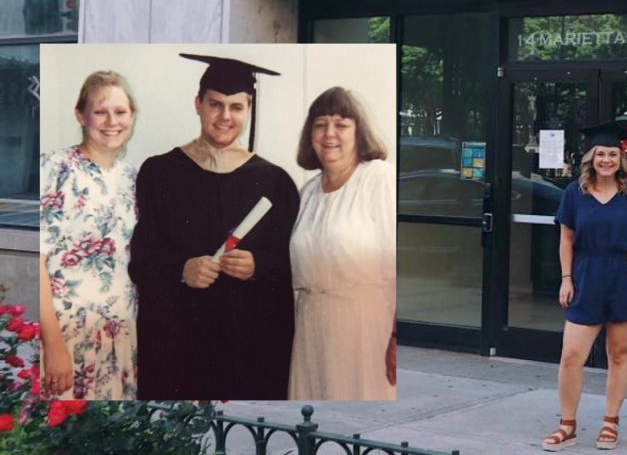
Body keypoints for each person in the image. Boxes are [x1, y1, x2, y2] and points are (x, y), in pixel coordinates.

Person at [128, 54, 299, 399]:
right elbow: (141, 259)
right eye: (215, 104)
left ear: (248, 109)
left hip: (246, 344)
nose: (225, 116)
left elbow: (293, 262)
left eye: (236, 107)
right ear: (198, 104)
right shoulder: (160, 172)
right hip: (178, 343)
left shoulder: (275, 182)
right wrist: (182, 268)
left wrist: (258, 266)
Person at [543, 122, 627, 452]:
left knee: (619, 354)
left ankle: (611, 422)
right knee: (571, 356)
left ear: (620, 159)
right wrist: (566, 279)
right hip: (586, 276)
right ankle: (568, 425)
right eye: (600, 154)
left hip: (625, 277)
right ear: (590, 158)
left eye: (612, 154)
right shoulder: (574, 194)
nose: (606, 160)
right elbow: (566, 238)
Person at [288, 87, 396, 400]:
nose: (329, 134)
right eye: (320, 124)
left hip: (366, 329)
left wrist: (396, 337)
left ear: (359, 132)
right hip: (311, 327)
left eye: (341, 125)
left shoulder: (379, 179)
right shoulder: (307, 193)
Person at [39, 71, 139, 399]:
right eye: (100, 111)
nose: (112, 121)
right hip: (67, 339)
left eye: (121, 112)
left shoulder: (134, 180)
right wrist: (52, 345)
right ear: (80, 115)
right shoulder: (55, 168)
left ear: (132, 116)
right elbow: (37, 261)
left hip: (121, 340)